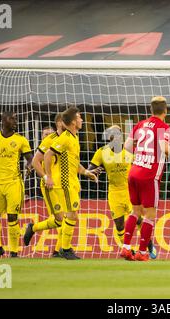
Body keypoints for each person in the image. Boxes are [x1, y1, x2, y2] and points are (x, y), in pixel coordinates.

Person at [121, 96, 170, 262]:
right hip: (149, 175)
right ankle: (142, 252)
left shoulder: (140, 124)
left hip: (134, 171)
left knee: (135, 212)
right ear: (166, 111)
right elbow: (163, 147)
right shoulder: (163, 126)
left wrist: (141, 151)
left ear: (150, 110)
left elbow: (126, 146)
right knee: (149, 215)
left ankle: (126, 248)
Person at [87, 125, 157, 258]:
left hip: (130, 189)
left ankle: (149, 245)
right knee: (119, 224)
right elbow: (89, 170)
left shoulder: (130, 151)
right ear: (109, 138)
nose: (117, 138)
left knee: (139, 219)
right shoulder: (102, 152)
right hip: (114, 192)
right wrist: (93, 172)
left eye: (119, 135)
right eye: (114, 135)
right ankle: (128, 250)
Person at [39, 107, 97, 260]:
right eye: (79, 117)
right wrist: (48, 177)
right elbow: (47, 155)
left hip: (72, 181)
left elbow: (73, 162)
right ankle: (65, 248)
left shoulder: (74, 137)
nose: (82, 120)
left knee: (71, 215)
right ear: (72, 122)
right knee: (71, 214)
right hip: (64, 183)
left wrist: (86, 172)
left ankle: (64, 248)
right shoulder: (64, 138)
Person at [0, 112, 34, 258]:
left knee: (12, 217)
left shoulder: (21, 140)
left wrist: (30, 166)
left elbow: (30, 158)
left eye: (16, 119)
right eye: (12, 119)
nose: (15, 121)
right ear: (3, 120)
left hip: (14, 183)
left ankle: (14, 251)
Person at [23, 114, 65, 257]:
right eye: (44, 134)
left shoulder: (65, 140)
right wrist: (47, 177)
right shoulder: (46, 144)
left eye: (49, 133)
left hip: (64, 184)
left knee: (65, 218)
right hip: (50, 186)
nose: (47, 135)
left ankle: (58, 249)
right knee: (61, 219)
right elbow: (34, 163)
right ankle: (59, 250)